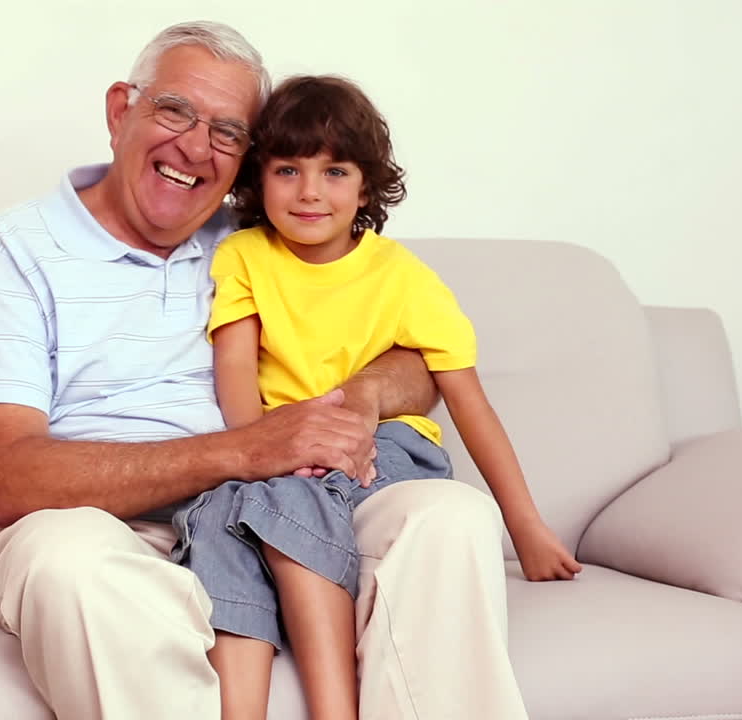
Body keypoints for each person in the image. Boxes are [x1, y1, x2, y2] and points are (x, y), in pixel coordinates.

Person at [0, 21, 532, 720]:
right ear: (121, 111)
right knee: (74, 560)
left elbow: (420, 365)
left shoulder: (262, 240)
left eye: (227, 131)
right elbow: (11, 481)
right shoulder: (13, 248)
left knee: (448, 516)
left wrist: (360, 396)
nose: (194, 146)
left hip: (273, 510)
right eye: (174, 110)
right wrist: (244, 450)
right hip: (100, 528)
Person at [171, 74, 582, 720]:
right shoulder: (244, 256)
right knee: (227, 515)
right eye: (287, 170)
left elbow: (469, 405)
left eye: (335, 171)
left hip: (388, 450)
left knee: (298, 487)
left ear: (367, 185)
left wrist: (525, 525)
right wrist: (259, 451)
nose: (310, 192)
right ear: (259, 179)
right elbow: (236, 372)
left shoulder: (404, 278)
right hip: (287, 445)